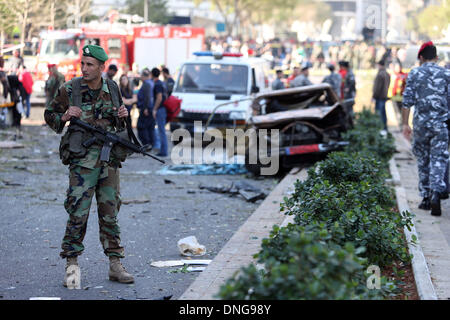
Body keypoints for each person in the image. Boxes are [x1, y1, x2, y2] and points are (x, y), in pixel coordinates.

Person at [44, 44, 134, 286]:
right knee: (77, 213)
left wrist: (123, 116)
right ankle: (71, 265)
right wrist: (63, 117)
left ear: (101, 67)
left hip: (109, 161)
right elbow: (49, 115)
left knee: (110, 214)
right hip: (82, 164)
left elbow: (119, 124)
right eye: (82, 63)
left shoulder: (113, 88)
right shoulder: (70, 89)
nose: (84, 68)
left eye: (89, 65)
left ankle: (115, 264)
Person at [402, 41, 450, 216]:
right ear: (436, 57)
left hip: (421, 125)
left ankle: (425, 198)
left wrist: (405, 124)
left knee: (423, 161)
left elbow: (406, 101)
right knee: (439, 159)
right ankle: (436, 193)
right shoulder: (446, 74)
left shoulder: (415, 73)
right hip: (440, 125)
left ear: (421, 57)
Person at [0, 71, 27, 137]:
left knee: (18, 111)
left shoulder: (11, 79)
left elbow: (18, 87)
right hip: (15, 98)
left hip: (19, 97)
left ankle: (18, 123)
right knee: (14, 110)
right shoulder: (5, 82)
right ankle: (15, 122)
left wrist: (18, 93)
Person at [150, 67, 168, 157]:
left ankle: (164, 151)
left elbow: (159, 97)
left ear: (152, 74)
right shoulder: (162, 83)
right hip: (163, 108)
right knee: (161, 130)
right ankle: (163, 150)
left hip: (160, 109)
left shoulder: (157, 84)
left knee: (161, 131)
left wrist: (154, 109)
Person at [136, 68, 156, 150]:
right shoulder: (151, 83)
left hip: (146, 109)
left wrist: (145, 108)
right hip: (150, 108)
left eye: (141, 75)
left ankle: (147, 144)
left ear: (144, 76)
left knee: (141, 127)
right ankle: (150, 144)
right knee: (149, 128)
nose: (140, 77)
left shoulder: (147, 84)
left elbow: (147, 97)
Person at [372, 60, 391, 131]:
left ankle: (379, 128)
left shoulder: (380, 74)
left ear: (380, 65)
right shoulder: (387, 74)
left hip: (379, 97)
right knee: (383, 113)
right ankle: (385, 128)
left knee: (378, 113)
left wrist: (374, 96)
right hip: (384, 96)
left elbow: (377, 87)